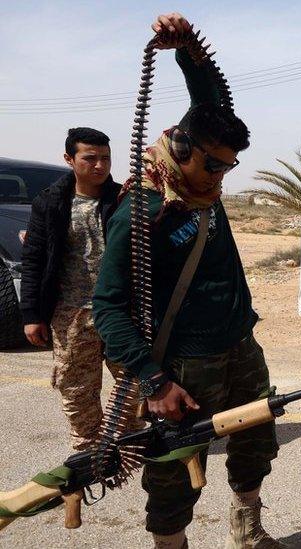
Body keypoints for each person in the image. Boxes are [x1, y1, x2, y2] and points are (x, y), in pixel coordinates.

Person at [92, 13, 282, 549]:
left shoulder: (204, 181)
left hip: (239, 344)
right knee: (174, 473)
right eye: (215, 166)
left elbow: (211, 101)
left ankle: (248, 531)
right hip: (183, 364)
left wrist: (189, 49)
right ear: (180, 148)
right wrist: (154, 382)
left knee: (255, 444)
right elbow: (107, 307)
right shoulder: (143, 210)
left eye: (231, 166)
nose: (222, 177)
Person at [19, 127, 125, 451]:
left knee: (135, 383)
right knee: (76, 388)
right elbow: (34, 259)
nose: (99, 165)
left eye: (105, 158)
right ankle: (88, 450)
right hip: (71, 312)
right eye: (90, 158)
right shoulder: (50, 203)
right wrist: (32, 314)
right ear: (69, 159)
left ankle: (127, 441)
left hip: (121, 310)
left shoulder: (124, 200)